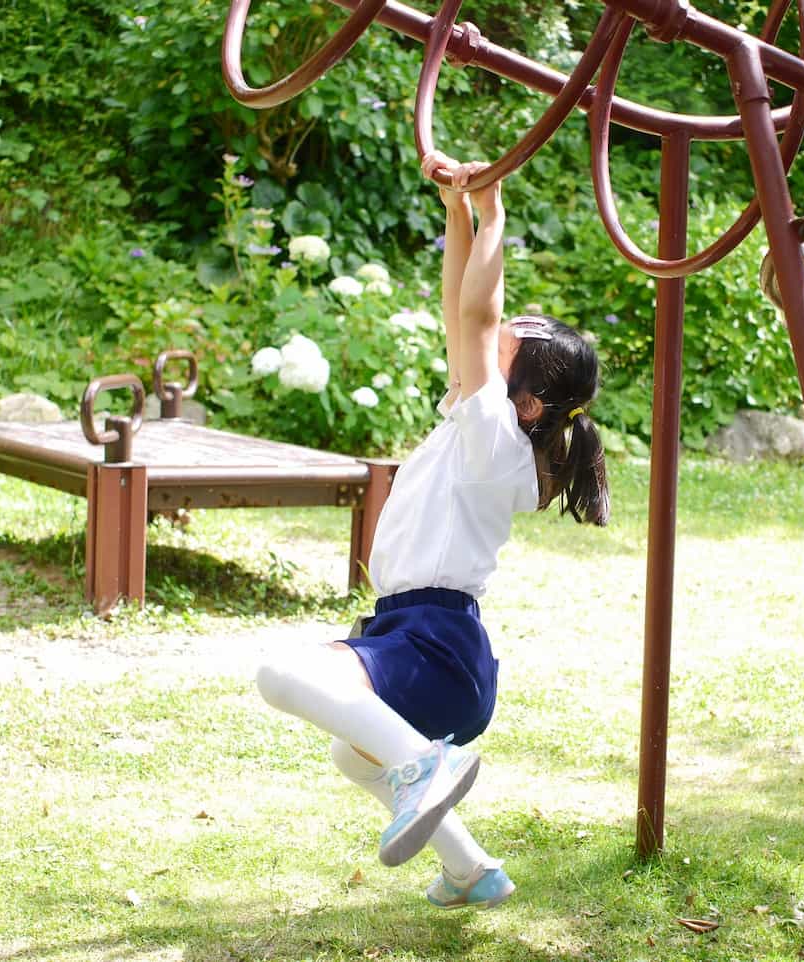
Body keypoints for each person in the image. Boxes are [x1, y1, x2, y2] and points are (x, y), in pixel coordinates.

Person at [254, 150, 610, 910]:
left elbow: (476, 316)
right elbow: (464, 311)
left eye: (506, 347)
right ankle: (471, 869)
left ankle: (428, 766)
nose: (487, 337)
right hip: (419, 635)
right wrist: (459, 210)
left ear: (528, 402)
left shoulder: (495, 437)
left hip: (437, 644)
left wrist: (496, 209)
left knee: (281, 672)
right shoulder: (485, 424)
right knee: (355, 756)